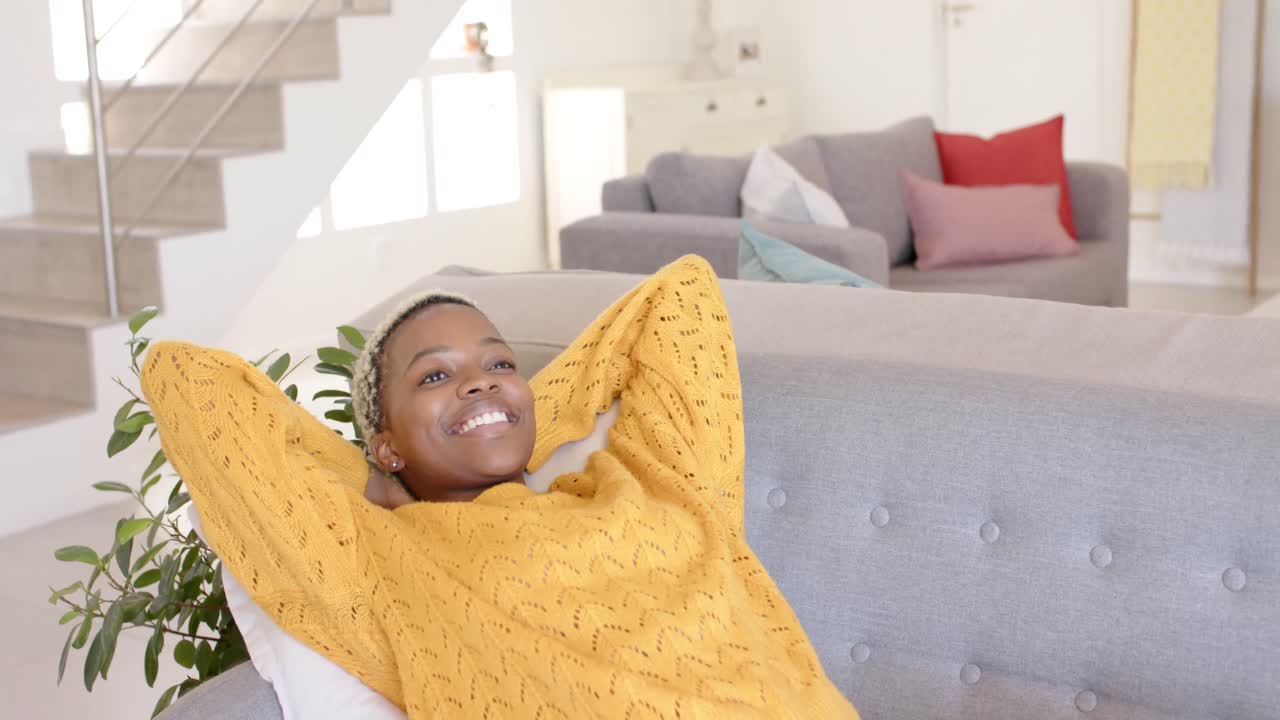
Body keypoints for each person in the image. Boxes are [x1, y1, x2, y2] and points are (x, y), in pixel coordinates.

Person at [142, 256, 859, 718]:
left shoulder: (646, 483)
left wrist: (513, 419)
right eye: (434, 374)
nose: (479, 376)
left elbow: (684, 295)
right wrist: (377, 475)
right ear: (384, 442)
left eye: (498, 362)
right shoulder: (375, 557)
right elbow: (183, 378)